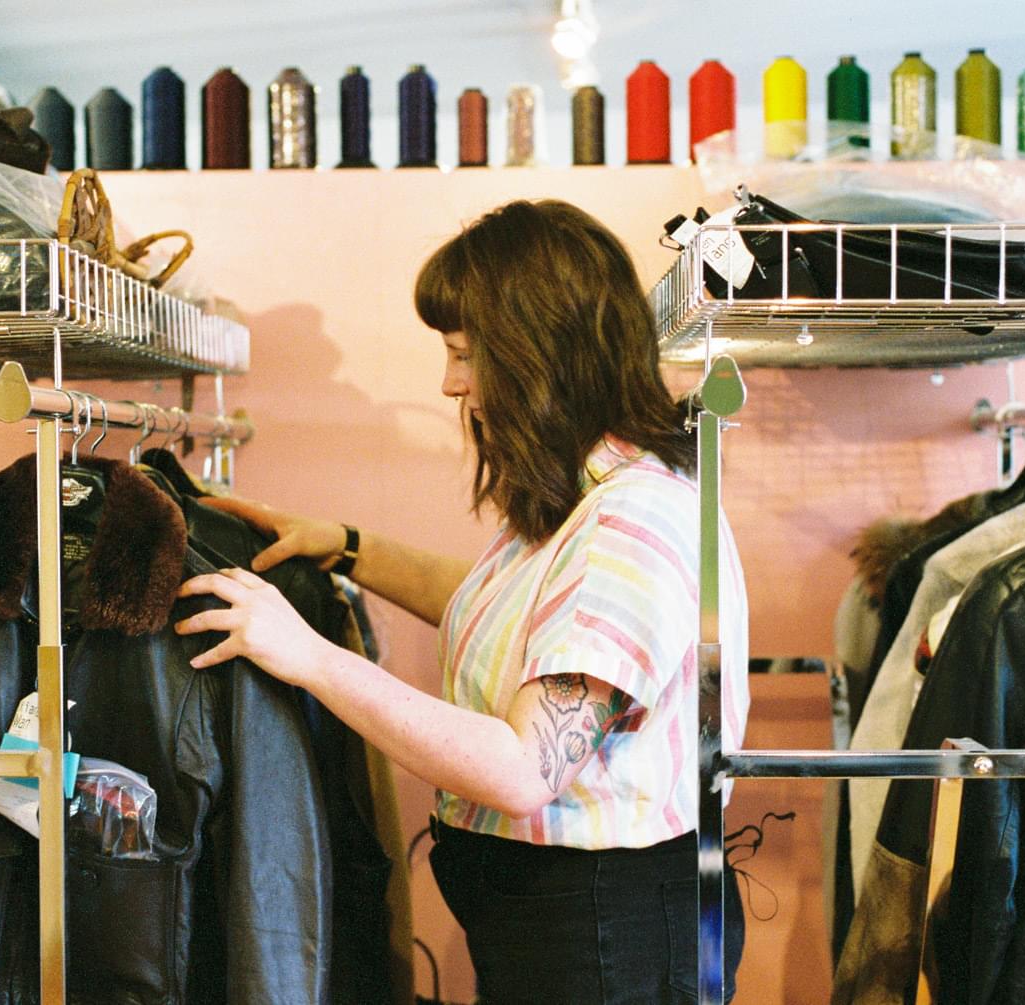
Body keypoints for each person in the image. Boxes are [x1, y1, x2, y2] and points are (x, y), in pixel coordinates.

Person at [175, 198, 751, 1004]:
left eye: (464, 354)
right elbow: (520, 618)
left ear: (537, 352)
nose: (450, 384)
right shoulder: (589, 498)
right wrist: (343, 543)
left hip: (602, 942)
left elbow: (524, 767)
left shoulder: (634, 518)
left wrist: (309, 656)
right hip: (572, 928)